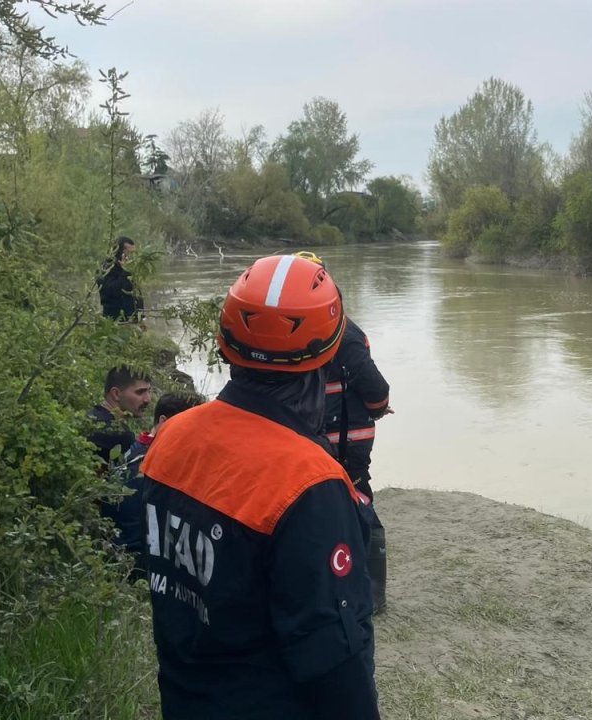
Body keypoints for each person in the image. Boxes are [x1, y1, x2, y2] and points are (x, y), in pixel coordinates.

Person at [139, 254, 381, 720]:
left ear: (225, 345)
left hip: (185, 699)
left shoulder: (171, 438)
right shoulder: (310, 483)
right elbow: (333, 660)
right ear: (330, 355)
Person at [294, 251, 393, 613]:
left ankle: (369, 592)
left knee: (347, 502)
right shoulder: (342, 330)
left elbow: (371, 386)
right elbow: (375, 389)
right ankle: (358, 589)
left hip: (333, 436)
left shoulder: (307, 329)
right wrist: (379, 407)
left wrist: (378, 405)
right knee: (346, 503)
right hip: (335, 435)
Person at [104, 392, 205, 561]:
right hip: (139, 563)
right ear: (164, 422)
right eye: (191, 426)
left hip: (119, 553)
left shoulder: (136, 450)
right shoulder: (154, 466)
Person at [88, 365, 153, 466]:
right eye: (140, 392)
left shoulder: (89, 416)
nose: (147, 399)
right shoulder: (120, 435)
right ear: (116, 394)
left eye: (149, 391)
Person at [98, 236, 143, 321]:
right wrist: (125, 272)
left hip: (133, 317)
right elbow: (110, 291)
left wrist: (141, 316)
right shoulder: (106, 268)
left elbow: (135, 292)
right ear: (120, 252)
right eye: (130, 253)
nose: (132, 257)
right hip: (116, 320)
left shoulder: (130, 268)